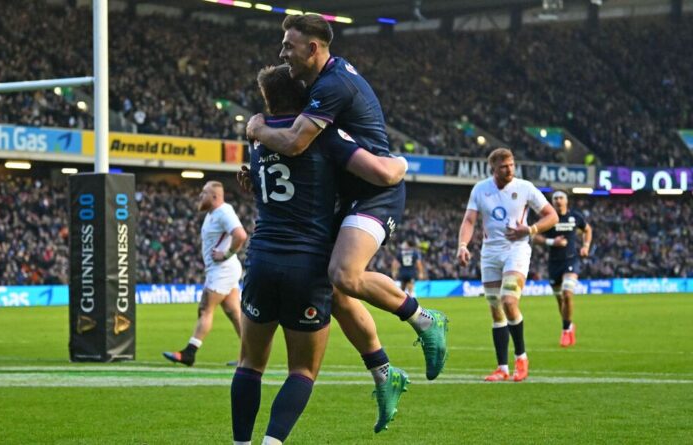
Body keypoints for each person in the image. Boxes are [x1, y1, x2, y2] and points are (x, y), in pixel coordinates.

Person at [246, 13, 448, 382]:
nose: (282, 53)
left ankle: (424, 319)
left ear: (313, 48)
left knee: (345, 274)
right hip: (350, 190)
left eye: (288, 46)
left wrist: (257, 128)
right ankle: (384, 374)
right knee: (332, 290)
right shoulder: (322, 86)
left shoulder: (331, 89)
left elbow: (295, 143)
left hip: (375, 191)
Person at [232, 64, 412, 445]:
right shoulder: (323, 137)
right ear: (305, 95)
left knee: (249, 364)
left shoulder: (258, 139)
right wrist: (400, 165)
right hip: (307, 264)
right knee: (302, 370)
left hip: (261, 259)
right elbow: (378, 173)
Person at [456, 148, 558, 382]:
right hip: (490, 253)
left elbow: (551, 215)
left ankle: (521, 358)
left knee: (509, 301)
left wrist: (531, 229)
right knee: (496, 309)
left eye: (511, 165)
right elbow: (469, 220)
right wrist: (462, 245)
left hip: (516, 250)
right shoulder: (480, 189)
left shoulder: (525, 188)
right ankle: (502, 368)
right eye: (504, 166)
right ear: (493, 168)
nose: (509, 169)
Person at [163, 181, 247, 366]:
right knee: (234, 313)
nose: (200, 196)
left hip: (222, 270)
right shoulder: (212, 214)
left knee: (205, 309)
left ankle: (189, 353)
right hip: (222, 270)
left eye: (204, 193)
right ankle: (248, 357)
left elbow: (240, 235)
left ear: (214, 196)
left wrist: (226, 254)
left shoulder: (224, 212)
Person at [532, 190, 592, 347]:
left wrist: (586, 246)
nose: (558, 200)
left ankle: (565, 330)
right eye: (555, 198)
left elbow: (587, 229)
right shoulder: (548, 219)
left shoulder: (575, 217)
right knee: (560, 300)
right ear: (552, 202)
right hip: (554, 263)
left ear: (566, 201)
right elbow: (534, 235)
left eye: (561, 198)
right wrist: (552, 242)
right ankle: (569, 325)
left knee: (567, 293)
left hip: (571, 260)